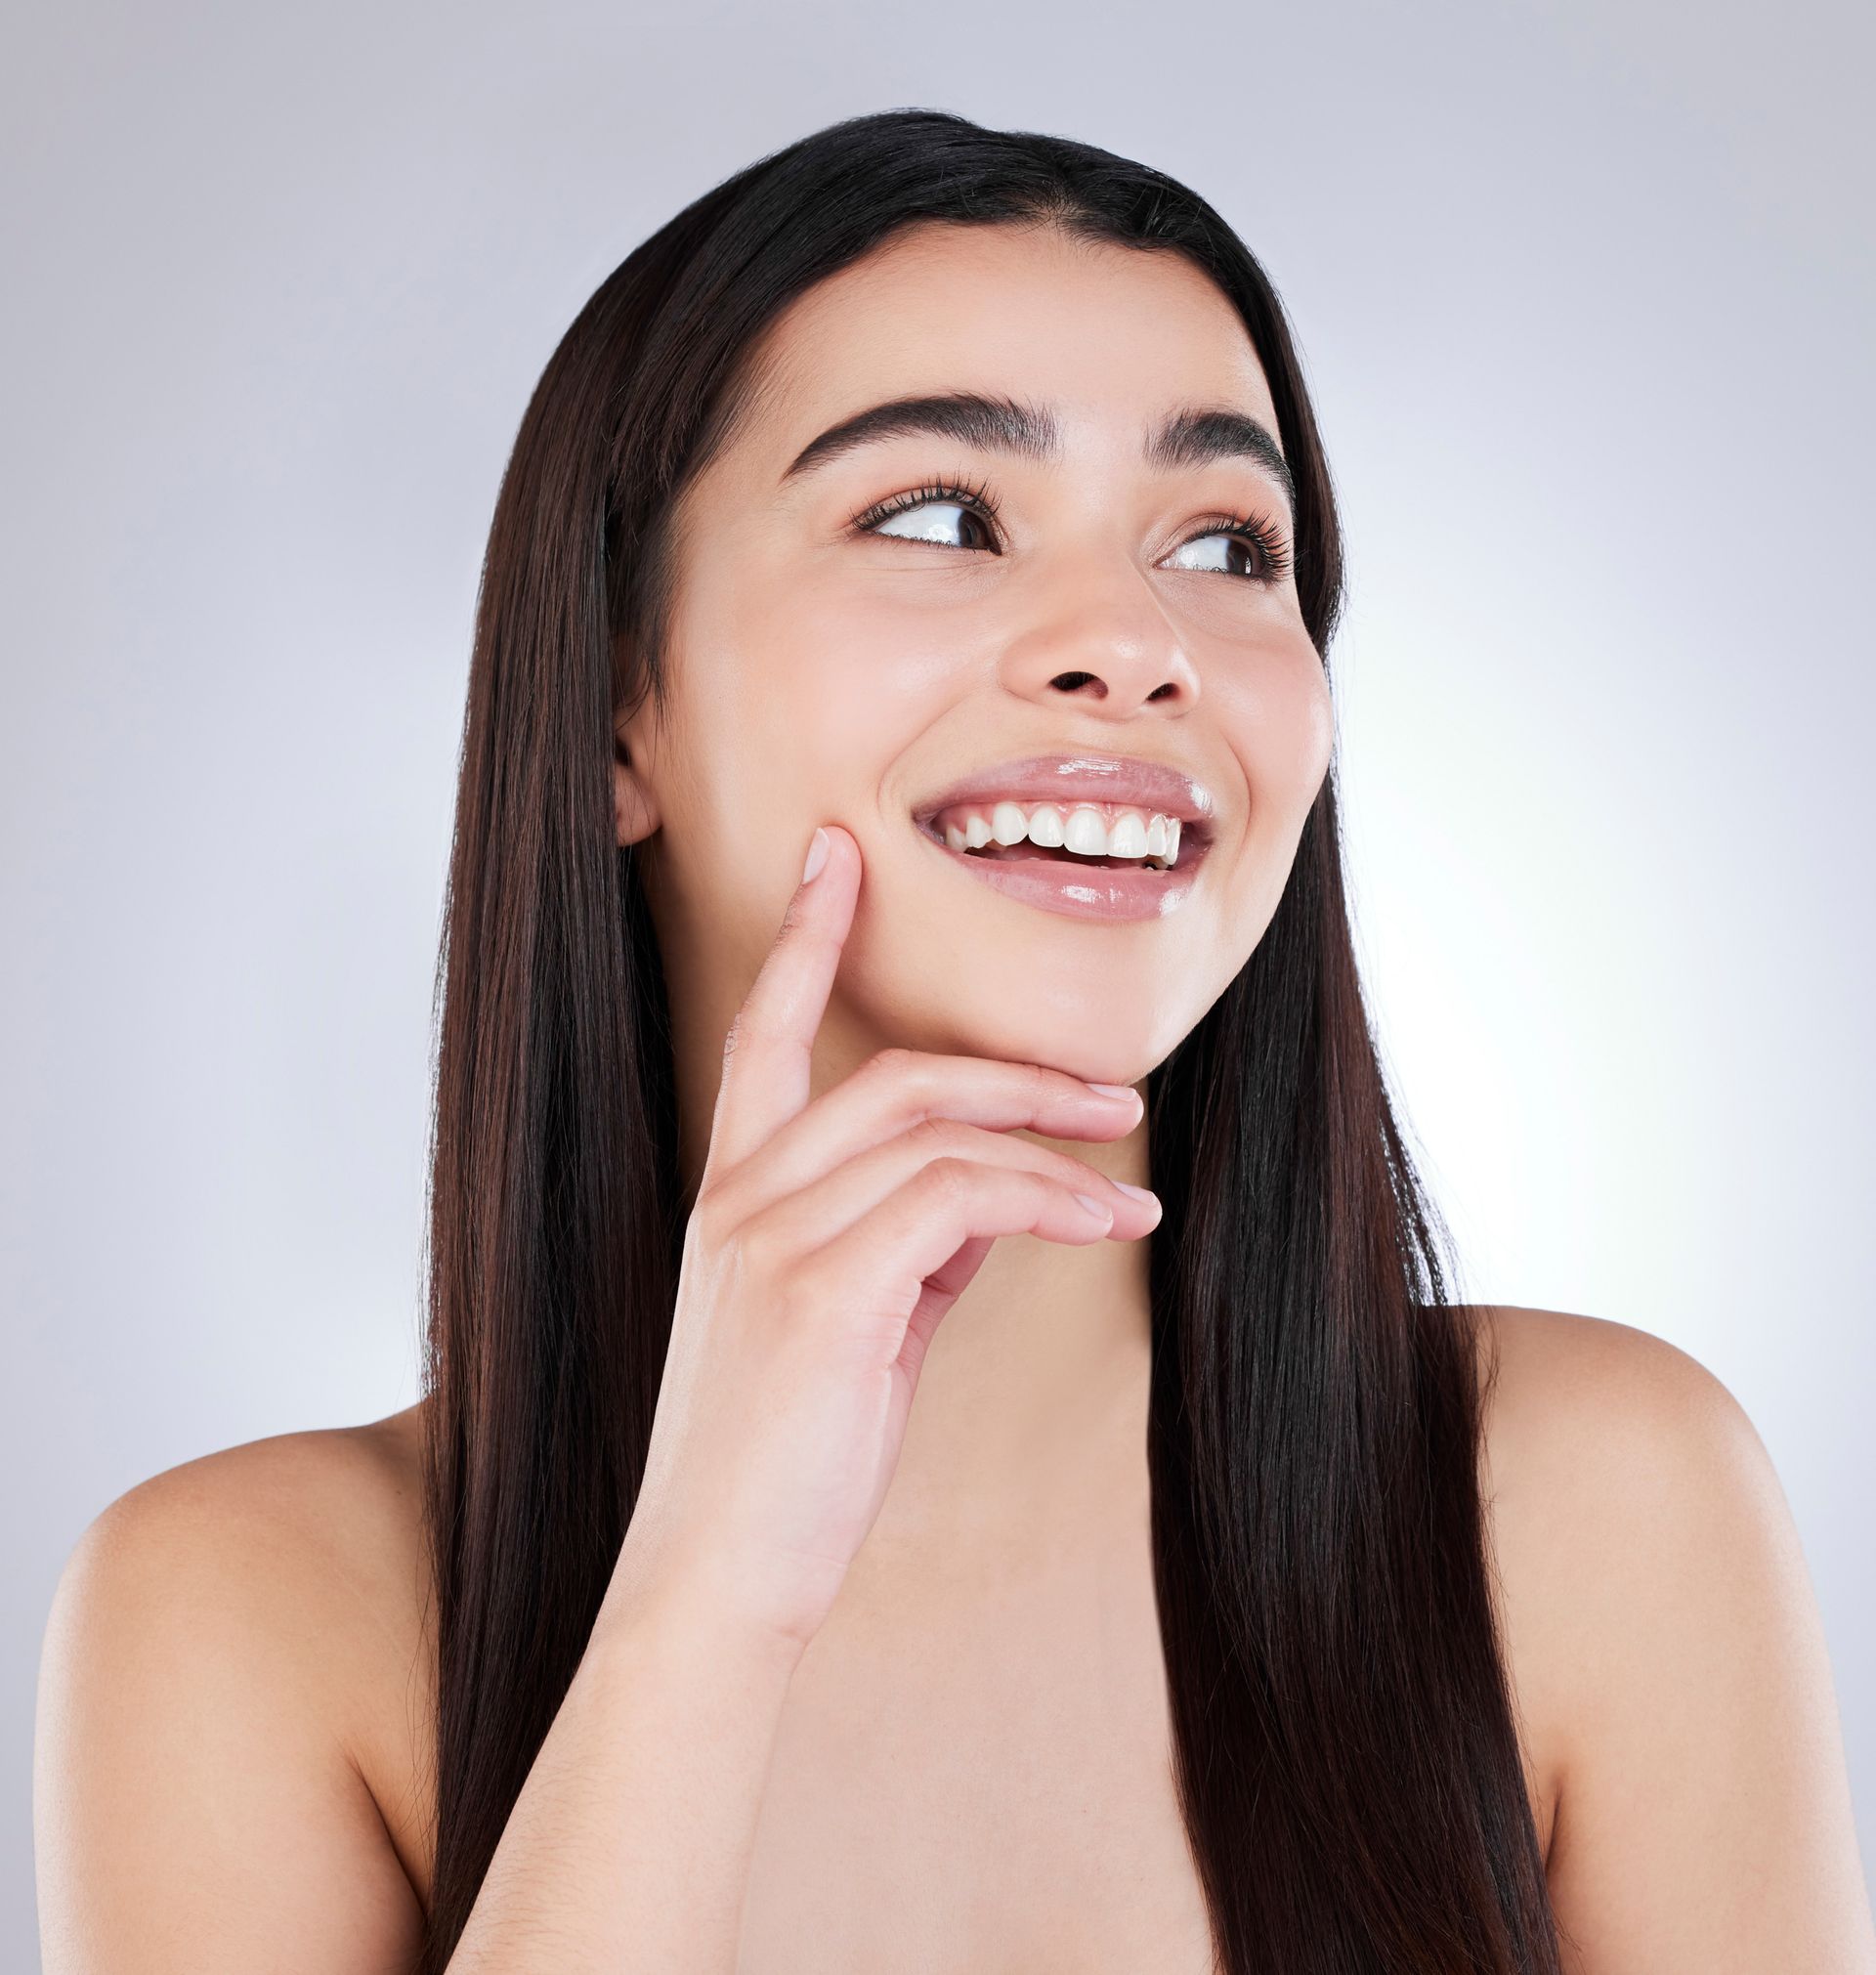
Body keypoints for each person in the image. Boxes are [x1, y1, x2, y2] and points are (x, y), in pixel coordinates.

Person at [33, 107, 1876, 1974]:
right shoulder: (247, 1618)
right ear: (615, 705)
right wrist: (706, 1597)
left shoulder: (1594, 1507)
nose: (1131, 639)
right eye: (936, 517)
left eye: (1227, 543)